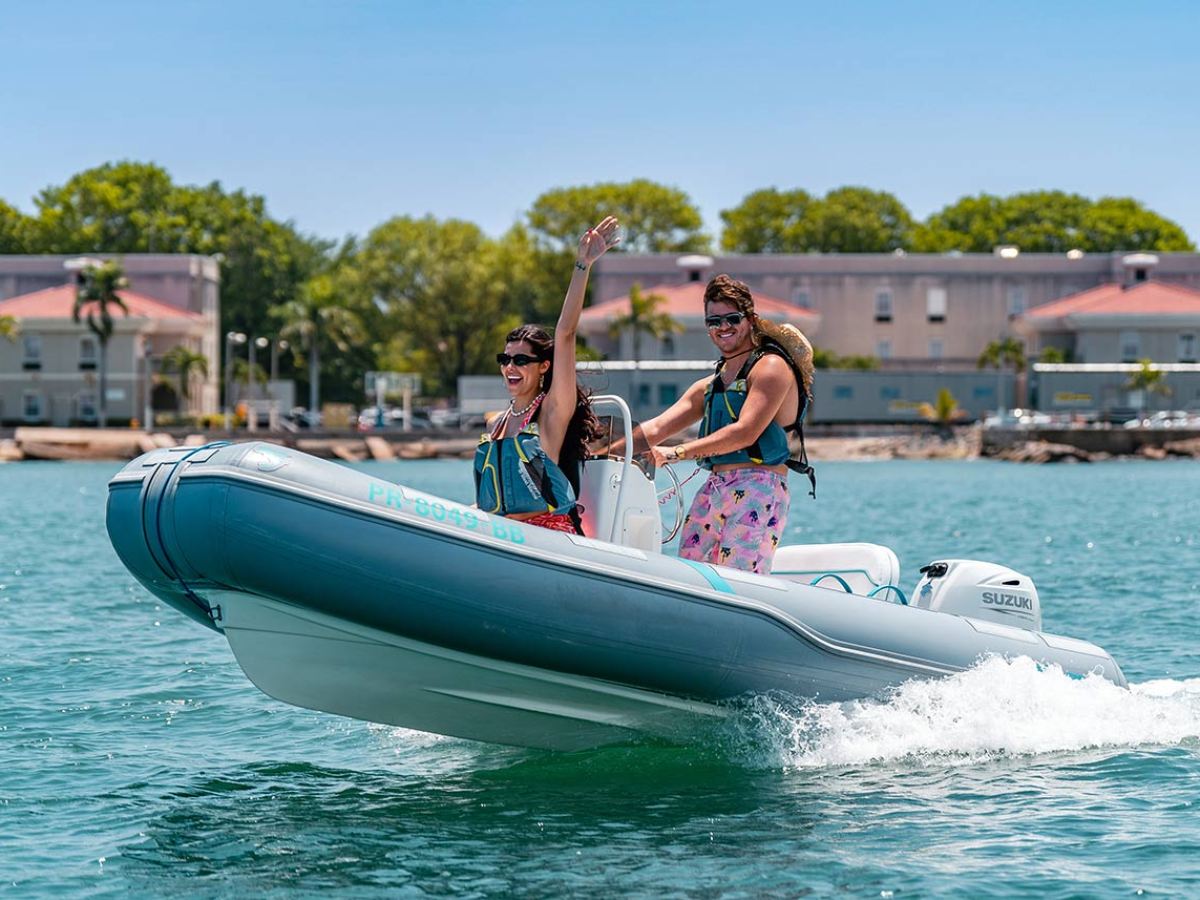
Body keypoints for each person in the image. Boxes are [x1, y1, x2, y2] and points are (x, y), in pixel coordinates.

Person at [640, 274, 814, 573]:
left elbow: (745, 432)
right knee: (689, 575)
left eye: (732, 318)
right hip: (715, 487)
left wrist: (674, 453)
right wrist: (602, 449)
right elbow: (654, 429)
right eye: (713, 321)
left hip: (759, 487)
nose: (723, 327)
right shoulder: (713, 385)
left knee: (737, 580)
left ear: (750, 319)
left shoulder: (771, 367)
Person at [473, 216, 620, 534]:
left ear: (544, 366)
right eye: (505, 359)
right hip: (503, 533)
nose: (511, 367)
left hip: (548, 534)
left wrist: (583, 264)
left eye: (521, 360)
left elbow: (565, 333)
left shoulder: (552, 413)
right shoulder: (495, 425)